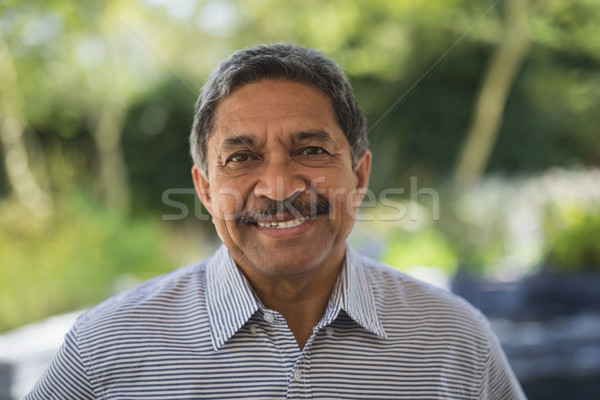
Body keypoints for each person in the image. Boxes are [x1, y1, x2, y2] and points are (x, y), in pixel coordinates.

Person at [26, 43, 526, 399]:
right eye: (242, 158)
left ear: (358, 175)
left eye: (310, 150)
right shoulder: (106, 347)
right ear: (204, 189)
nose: (279, 187)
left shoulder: (456, 340)